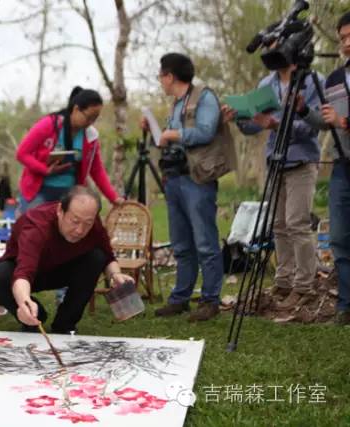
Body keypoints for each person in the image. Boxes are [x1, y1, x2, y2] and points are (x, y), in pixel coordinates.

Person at [222, 54, 323, 311]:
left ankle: (304, 286)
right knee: (278, 225)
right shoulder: (267, 82)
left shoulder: (312, 80)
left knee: (297, 224)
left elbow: (313, 128)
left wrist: (277, 124)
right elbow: (254, 126)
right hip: (275, 159)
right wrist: (239, 118)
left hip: (301, 160)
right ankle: (284, 281)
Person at [141, 53, 224, 321]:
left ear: (170, 76)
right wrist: (156, 132)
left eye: (161, 76)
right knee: (181, 243)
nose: (160, 82)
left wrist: (175, 134)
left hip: (197, 179)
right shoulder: (175, 105)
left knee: (205, 242)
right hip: (174, 178)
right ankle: (181, 297)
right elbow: (167, 142)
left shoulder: (205, 97)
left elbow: (206, 131)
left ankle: (211, 300)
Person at [0, 186, 133, 333]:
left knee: (96, 257)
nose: (80, 230)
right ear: (60, 211)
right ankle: (34, 315)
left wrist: (115, 274)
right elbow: (23, 272)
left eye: (87, 223)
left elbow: (107, 255)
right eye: (74, 221)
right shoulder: (36, 226)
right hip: (25, 273)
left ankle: (65, 324)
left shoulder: (94, 226)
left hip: (62, 269)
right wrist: (23, 302)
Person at [297, 11, 350, 325]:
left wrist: (345, 122)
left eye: (349, 36)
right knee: (341, 238)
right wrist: (306, 111)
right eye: (342, 38)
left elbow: (340, 122)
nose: (345, 43)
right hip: (343, 167)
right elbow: (326, 122)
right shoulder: (332, 79)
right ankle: (345, 306)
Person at [16, 86, 124, 213]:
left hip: (68, 196)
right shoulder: (49, 124)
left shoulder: (90, 136)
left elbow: (97, 170)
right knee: (33, 230)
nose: (90, 123)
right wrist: (45, 170)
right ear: (76, 109)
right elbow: (22, 154)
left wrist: (113, 197)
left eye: (94, 119)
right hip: (38, 193)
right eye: (88, 117)